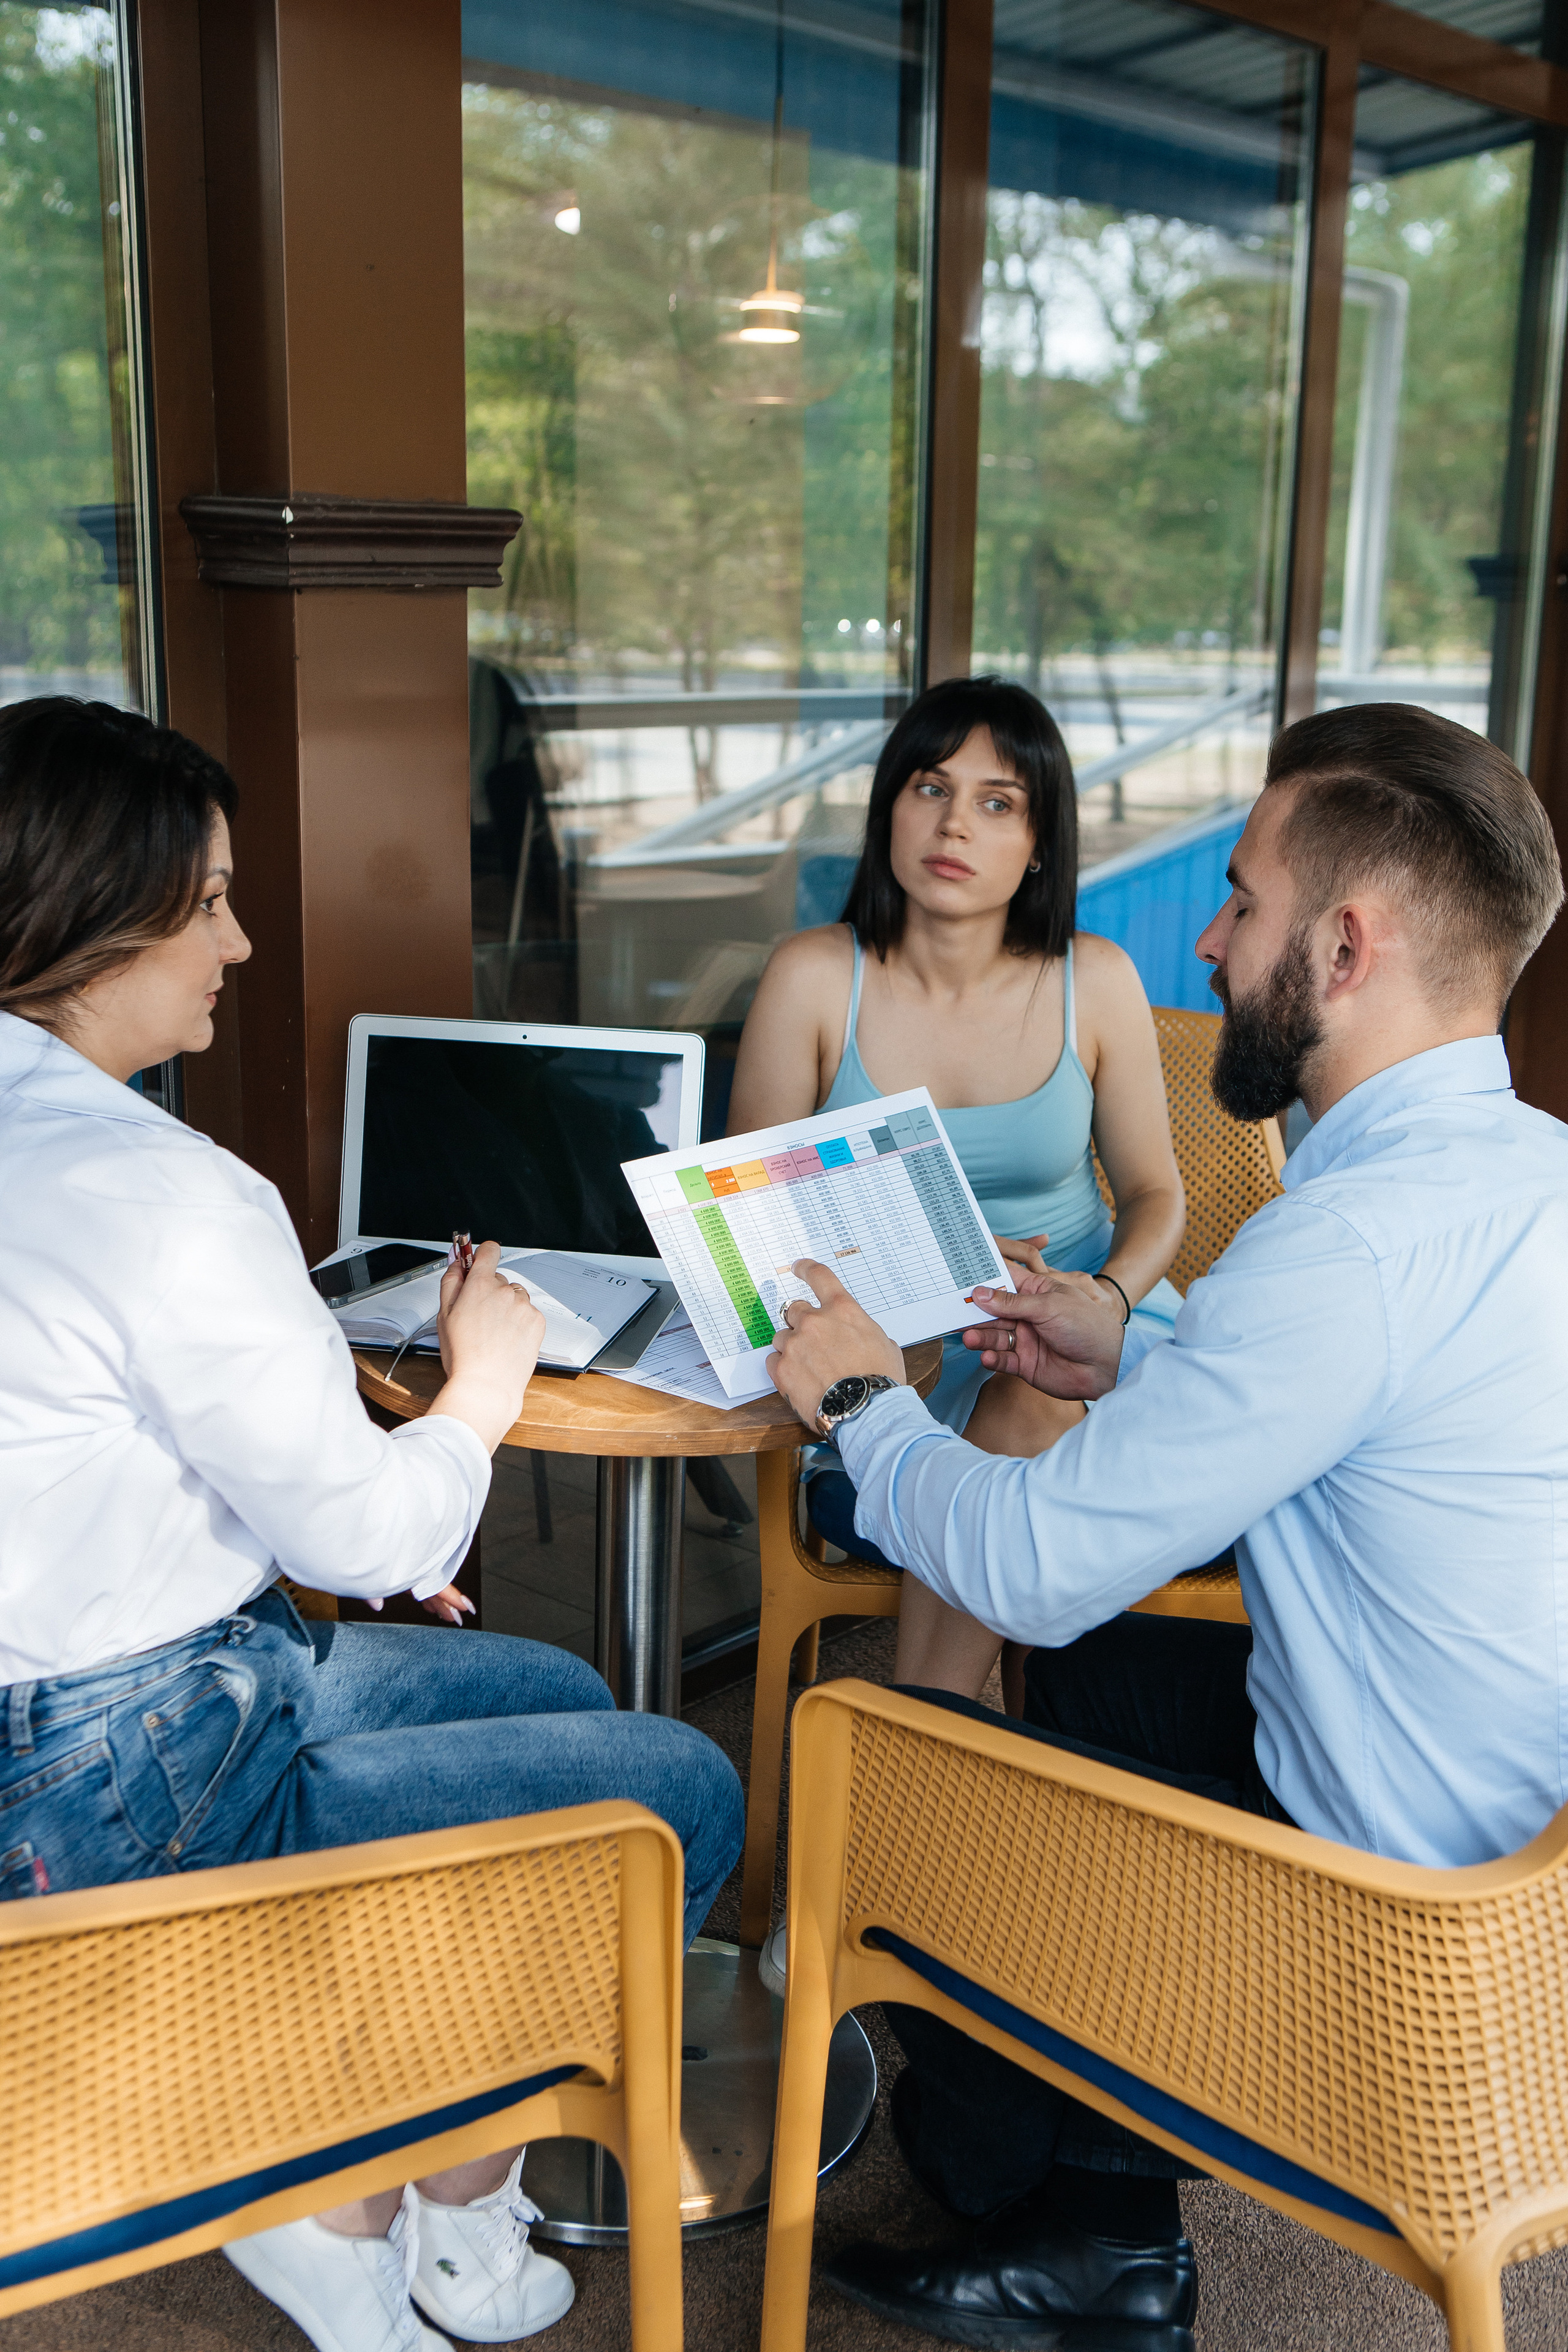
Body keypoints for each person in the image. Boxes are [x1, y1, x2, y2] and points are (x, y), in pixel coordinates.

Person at [764, 701, 1568, 2352]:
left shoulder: (1341, 1246)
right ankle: (1100, 2221)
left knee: (889, 1741)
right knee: (1076, 1675)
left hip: (1383, 1945)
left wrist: (864, 1403)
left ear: (1344, 947)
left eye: (1244, 901)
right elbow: (1365, 1404)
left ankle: (1030, 2195)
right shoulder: (1531, 1176)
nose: (1209, 938)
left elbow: (1021, 1559)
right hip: (1522, 1895)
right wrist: (1136, 1344)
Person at [0, 699, 744, 2352]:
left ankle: (434, 2190)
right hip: (132, 1768)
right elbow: (352, 1535)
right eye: (205, 899)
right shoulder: (166, 1192)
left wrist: (378, 1525)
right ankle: (348, 2186)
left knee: (559, 1701)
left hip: (150, 1682)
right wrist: (476, 1387)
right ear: (86, 916)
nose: (242, 940)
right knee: (678, 1791)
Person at [728, 675, 1185, 1713]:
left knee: (1034, 1392)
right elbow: (752, 1217)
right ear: (891, 805)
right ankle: (944, 1754)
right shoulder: (811, 975)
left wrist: (1098, 1298)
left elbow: (1158, 1194)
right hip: (884, 1353)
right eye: (930, 788)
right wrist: (949, 1270)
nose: (953, 824)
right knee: (1014, 1439)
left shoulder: (1096, 978)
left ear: (1039, 844)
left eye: (997, 802)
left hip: (1076, 1337)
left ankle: (917, 1747)